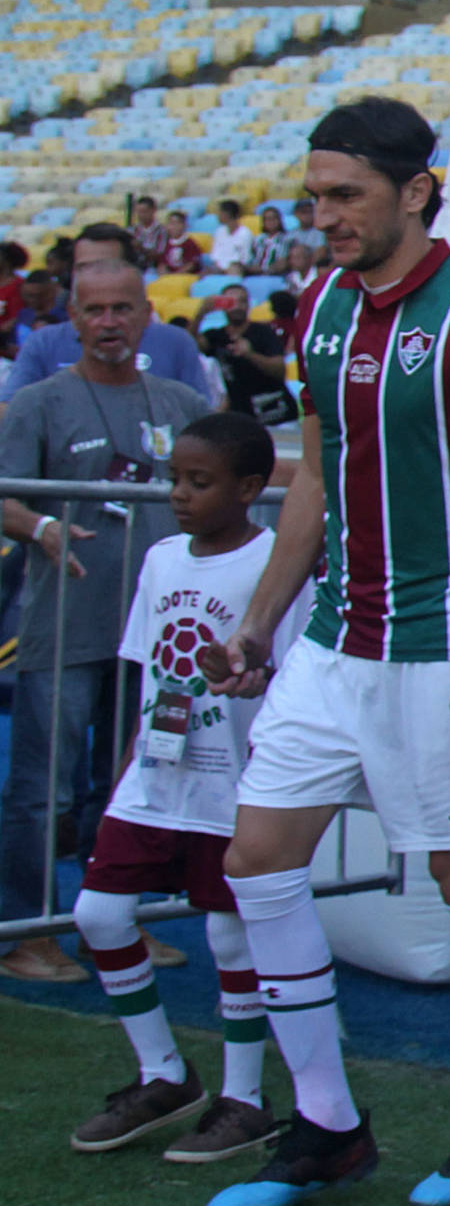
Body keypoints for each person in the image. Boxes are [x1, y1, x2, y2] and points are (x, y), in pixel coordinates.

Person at [202, 95, 450, 1206]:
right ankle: (326, 1122)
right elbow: (314, 474)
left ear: (415, 190)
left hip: (444, 648)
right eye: (315, 197)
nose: (325, 217)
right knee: (256, 860)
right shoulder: (317, 308)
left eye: (345, 196)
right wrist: (263, 616)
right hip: (333, 642)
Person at [68, 412, 301, 1161]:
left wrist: (252, 683)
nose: (179, 494)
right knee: (99, 913)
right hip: (155, 776)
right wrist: (128, 768)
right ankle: (164, 1071)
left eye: (198, 482)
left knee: (231, 930)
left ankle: (243, 1097)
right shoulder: (163, 558)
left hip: (234, 782)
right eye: (175, 478)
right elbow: (145, 667)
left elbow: (288, 676)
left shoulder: (275, 566)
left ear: (250, 487)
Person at [0, 259, 210, 985]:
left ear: (147, 315)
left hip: (157, 634)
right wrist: (41, 528)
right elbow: (3, 497)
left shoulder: (181, 399)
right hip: (66, 624)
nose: (110, 322)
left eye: (123, 308)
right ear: (72, 319)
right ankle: (27, 932)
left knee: (132, 781)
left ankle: (112, 922)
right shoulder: (39, 402)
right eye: (95, 310)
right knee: (42, 786)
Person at [1, 224, 220, 422]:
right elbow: (11, 414)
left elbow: (200, 425)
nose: (97, 277)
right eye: (84, 268)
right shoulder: (44, 342)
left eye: (108, 267)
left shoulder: (175, 342)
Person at [200, 282, 290, 426]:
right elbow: (190, 346)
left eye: (242, 301)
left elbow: (280, 370)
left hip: (273, 413)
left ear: (249, 304)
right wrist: (200, 313)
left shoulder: (263, 331)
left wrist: (250, 355)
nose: (237, 306)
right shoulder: (216, 335)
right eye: (231, 302)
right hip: (238, 415)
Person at [206, 200, 256, 275]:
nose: (217, 215)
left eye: (219, 212)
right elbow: (215, 255)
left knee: (234, 270)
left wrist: (227, 269)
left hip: (237, 268)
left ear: (226, 214)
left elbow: (245, 258)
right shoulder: (219, 231)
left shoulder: (246, 234)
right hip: (219, 268)